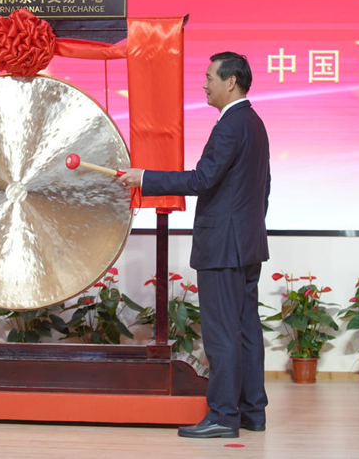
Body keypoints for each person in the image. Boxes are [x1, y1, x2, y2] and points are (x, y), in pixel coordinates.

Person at [119, 52, 270, 439]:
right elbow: (263, 188)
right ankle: (252, 410)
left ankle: (223, 415)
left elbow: (202, 179)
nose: (204, 84)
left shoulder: (231, 125)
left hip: (223, 246)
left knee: (222, 333)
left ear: (230, 82)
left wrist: (145, 178)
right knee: (246, 329)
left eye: (209, 77)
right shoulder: (254, 123)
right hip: (247, 243)